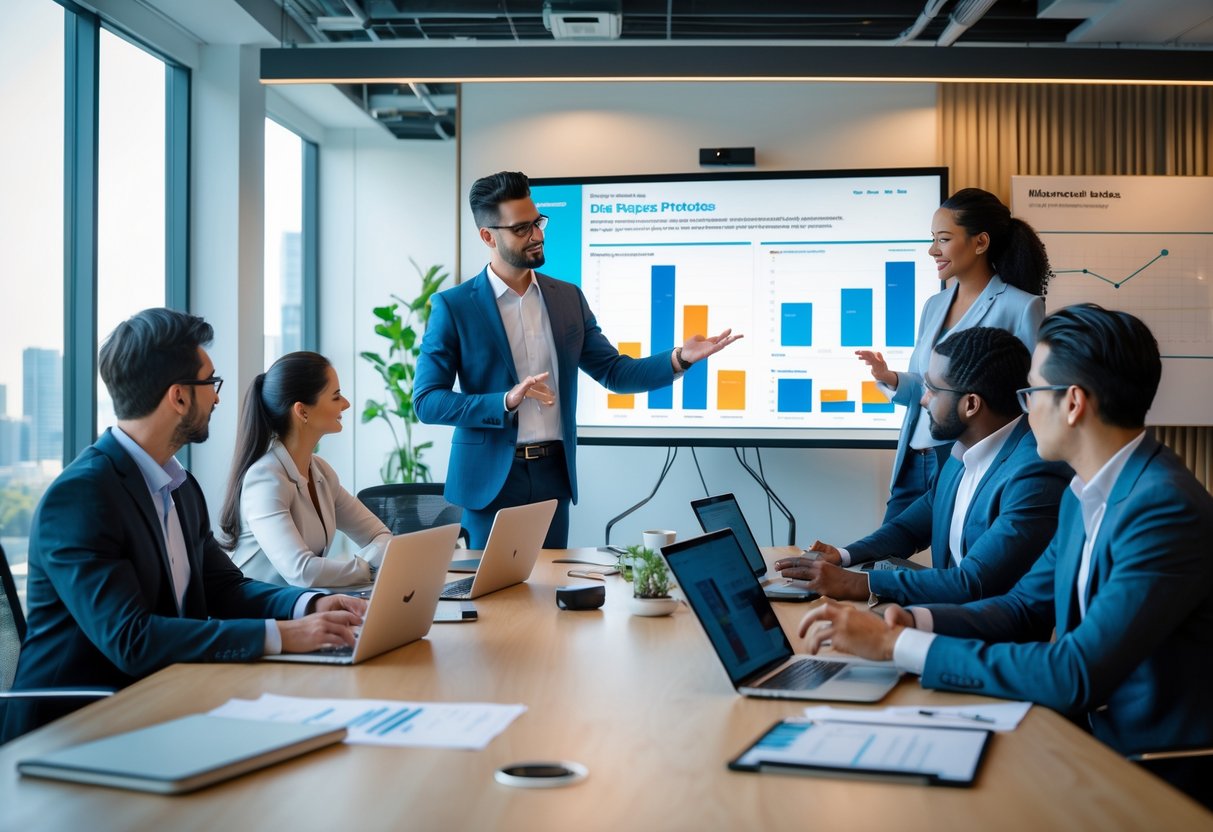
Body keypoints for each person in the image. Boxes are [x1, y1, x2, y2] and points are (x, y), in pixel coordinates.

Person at [799, 305, 1213, 804]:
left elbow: (1073, 673)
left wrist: (894, 648)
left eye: (1032, 392)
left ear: (1073, 403)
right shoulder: (1091, 490)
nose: (1024, 409)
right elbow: (1021, 605)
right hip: (1081, 739)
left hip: (1146, 773)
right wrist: (910, 622)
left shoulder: (1161, 508)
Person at [2, 309, 366, 743]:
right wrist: (282, 635)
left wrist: (308, 606)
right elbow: (131, 639)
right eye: (210, 383)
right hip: (76, 729)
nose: (217, 398)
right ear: (178, 397)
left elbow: (226, 588)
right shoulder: (81, 498)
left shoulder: (179, 486)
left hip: (165, 703)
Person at [414, 171, 742, 548]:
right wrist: (504, 401)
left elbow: (615, 372)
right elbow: (427, 401)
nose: (537, 235)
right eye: (522, 229)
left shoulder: (566, 298)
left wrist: (679, 358)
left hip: (554, 474)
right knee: (494, 601)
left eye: (538, 222)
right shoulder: (454, 307)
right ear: (488, 236)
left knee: (548, 594)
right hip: (490, 482)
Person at [774, 327, 1069, 606]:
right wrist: (842, 556)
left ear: (971, 405)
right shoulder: (961, 452)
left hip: (987, 646)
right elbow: (908, 529)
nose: (924, 399)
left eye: (932, 389)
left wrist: (856, 583)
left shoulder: (1034, 472)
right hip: (944, 621)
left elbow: (973, 582)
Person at [862, 188, 1050, 523]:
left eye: (944, 239)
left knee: (952, 561)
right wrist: (890, 379)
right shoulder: (933, 305)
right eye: (933, 239)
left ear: (980, 242)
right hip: (915, 454)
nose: (933, 250)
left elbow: (1033, 396)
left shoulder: (1021, 306)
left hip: (969, 454)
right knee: (884, 553)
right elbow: (926, 388)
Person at [220, 352, 392, 587]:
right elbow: (302, 572)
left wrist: (364, 567)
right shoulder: (265, 479)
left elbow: (381, 536)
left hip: (301, 608)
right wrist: (367, 567)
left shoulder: (321, 472)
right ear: (302, 411)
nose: (346, 404)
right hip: (258, 616)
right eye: (336, 396)